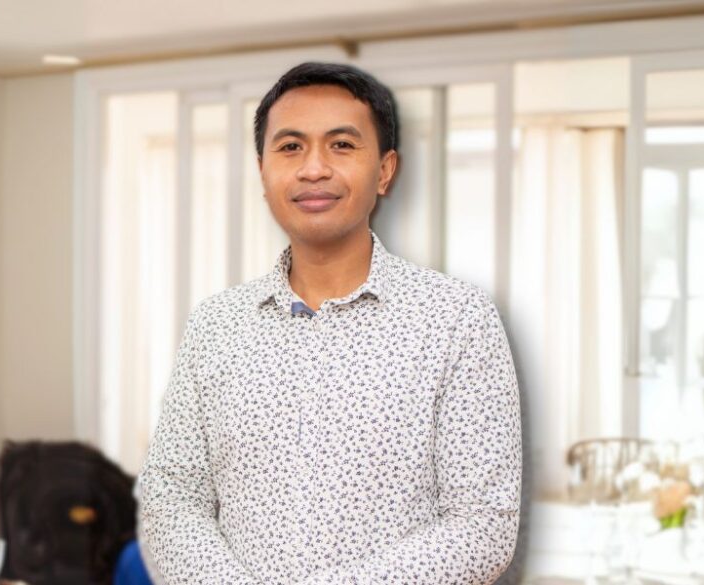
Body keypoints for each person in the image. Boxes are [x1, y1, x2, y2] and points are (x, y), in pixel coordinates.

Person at [137, 61, 522, 585]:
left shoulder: (457, 319)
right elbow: (172, 498)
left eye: (341, 145)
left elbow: (482, 525)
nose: (313, 168)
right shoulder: (215, 325)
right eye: (290, 147)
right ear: (262, 170)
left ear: (385, 171)